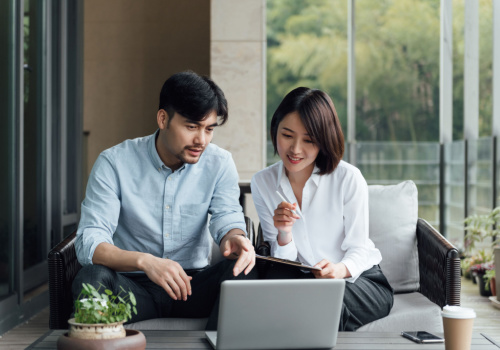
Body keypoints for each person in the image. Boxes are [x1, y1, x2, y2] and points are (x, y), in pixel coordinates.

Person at [73, 71, 257, 330]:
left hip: (193, 286)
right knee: (91, 277)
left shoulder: (219, 163)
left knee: (245, 268)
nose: (201, 140)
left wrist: (234, 237)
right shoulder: (114, 163)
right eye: (191, 127)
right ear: (163, 119)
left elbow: (227, 217)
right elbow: (89, 243)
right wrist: (145, 262)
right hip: (133, 287)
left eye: (209, 129)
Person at [251, 87, 393, 331]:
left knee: (323, 303)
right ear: (275, 131)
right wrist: (284, 232)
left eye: (308, 140)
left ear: (324, 141)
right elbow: (282, 262)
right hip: (304, 281)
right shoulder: (262, 182)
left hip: (358, 279)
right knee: (301, 300)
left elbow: (358, 248)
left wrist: (337, 270)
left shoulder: (348, 178)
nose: (295, 149)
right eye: (287, 135)